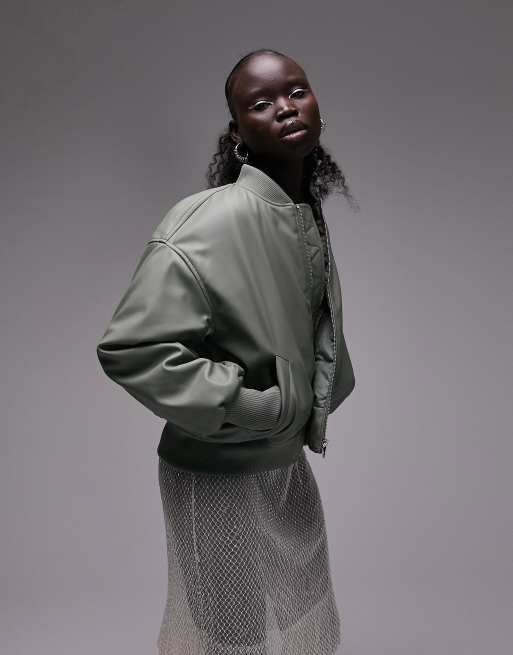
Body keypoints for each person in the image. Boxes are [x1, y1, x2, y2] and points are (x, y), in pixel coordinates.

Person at [96, 47, 357, 655]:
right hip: (215, 469)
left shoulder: (300, 211)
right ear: (237, 132)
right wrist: (248, 404)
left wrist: (309, 402)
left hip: (282, 460)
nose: (285, 107)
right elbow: (131, 347)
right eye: (260, 103)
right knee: (230, 637)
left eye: (296, 90)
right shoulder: (206, 221)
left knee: (306, 622)